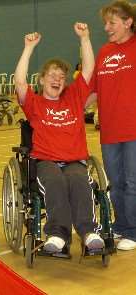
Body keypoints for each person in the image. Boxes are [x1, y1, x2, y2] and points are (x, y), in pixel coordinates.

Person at [14, 23, 104, 253]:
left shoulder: (73, 97)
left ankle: (89, 231)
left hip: (74, 160)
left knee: (79, 180)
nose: (57, 79)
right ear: (42, 79)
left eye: (61, 77)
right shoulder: (34, 103)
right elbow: (20, 82)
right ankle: (57, 234)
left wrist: (84, 38)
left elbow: (88, 70)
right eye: (52, 75)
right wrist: (28, 48)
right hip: (46, 161)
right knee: (55, 181)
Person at [89, 0, 136, 251]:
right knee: (116, 182)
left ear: (128, 22)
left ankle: (134, 230)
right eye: (105, 23)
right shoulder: (105, 52)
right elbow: (93, 90)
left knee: (133, 181)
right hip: (110, 130)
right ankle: (121, 225)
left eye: (112, 22)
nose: (106, 27)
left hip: (134, 129)